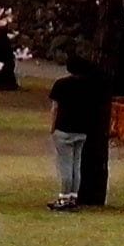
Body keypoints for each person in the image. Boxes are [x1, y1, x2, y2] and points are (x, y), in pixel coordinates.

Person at [47, 53, 108, 210]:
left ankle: (64, 197)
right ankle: (74, 196)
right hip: (82, 130)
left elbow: (55, 107)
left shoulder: (61, 84)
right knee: (76, 164)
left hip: (64, 128)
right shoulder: (90, 86)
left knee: (65, 165)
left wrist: (52, 126)